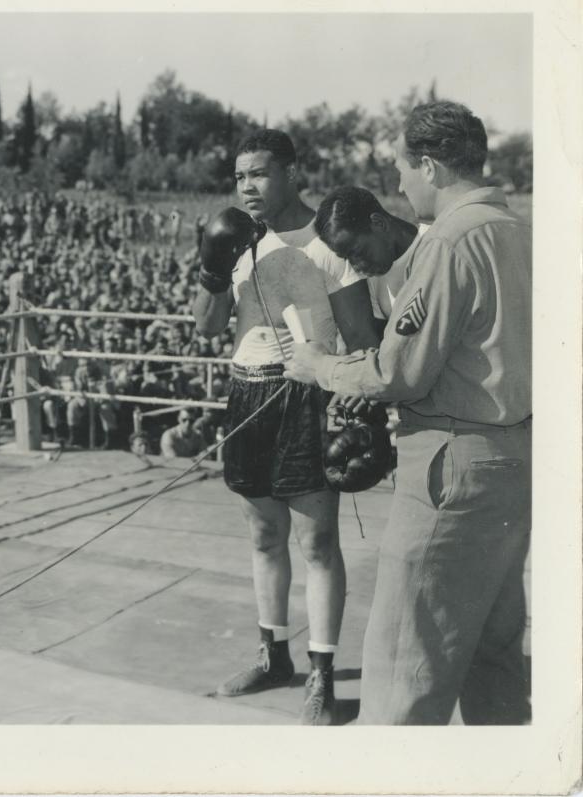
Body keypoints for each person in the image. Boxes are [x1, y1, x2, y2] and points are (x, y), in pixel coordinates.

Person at [284, 101, 531, 725]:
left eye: (401, 171)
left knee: (404, 669)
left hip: (452, 471)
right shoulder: (515, 230)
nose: (400, 187)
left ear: (429, 166)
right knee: (493, 664)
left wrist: (321, 367)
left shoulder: (449, 241)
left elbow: (399, 373)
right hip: (513, 464)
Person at [192, 129, 379, 725]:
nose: (247, 186)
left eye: (259, 173)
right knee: (263, 537)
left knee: (317, 543)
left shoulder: (328, 242)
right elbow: (206, 327)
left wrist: (354, 402)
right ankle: (273, 657)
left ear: (293, 173)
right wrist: (212, 269)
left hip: (306, 394)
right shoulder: (236, 239)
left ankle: (321, 675)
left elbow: (362, 337)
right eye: (239, 176)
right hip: (246, 389)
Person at [313, 185, 429, 329]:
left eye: (357, 252)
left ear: (379, 223)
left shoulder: (436, 247)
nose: (356, 267)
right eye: (347, 258)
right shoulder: (376, 278)